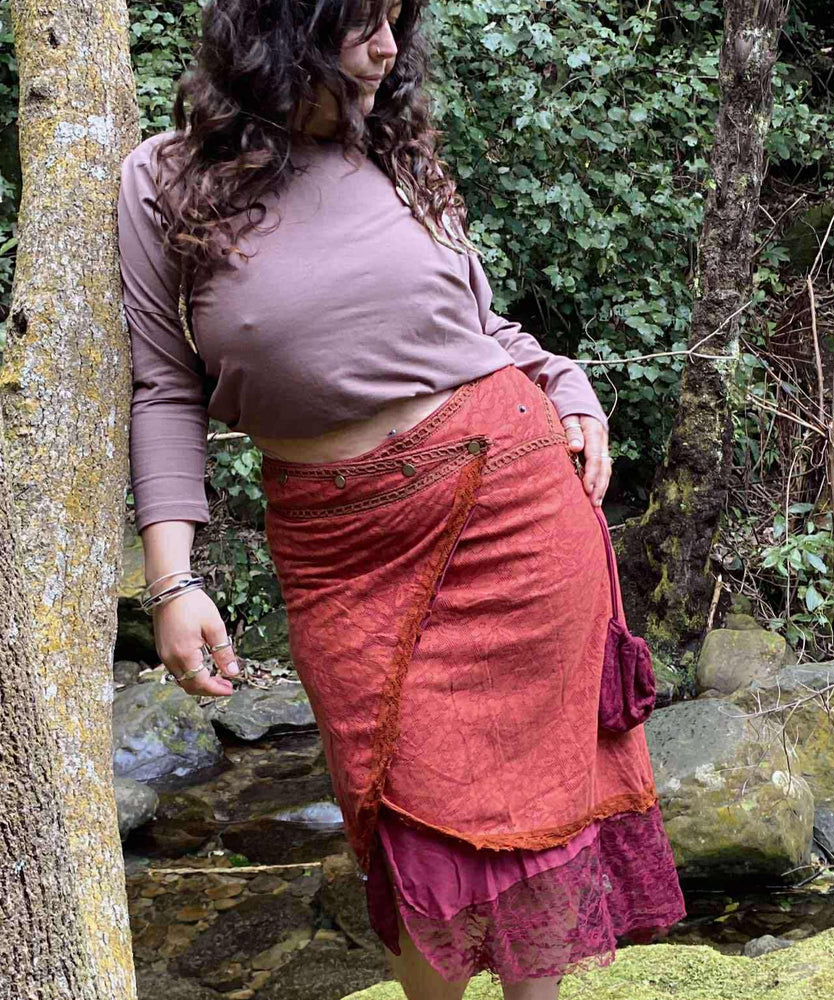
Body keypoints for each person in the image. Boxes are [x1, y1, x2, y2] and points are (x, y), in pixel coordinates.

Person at [117, 1, 686, 997]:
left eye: (396, 19)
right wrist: (174, 582)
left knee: (540, 820)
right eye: (359, 22)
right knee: (411, 826)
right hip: (342, 548)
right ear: (279, 31)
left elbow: (472, 321)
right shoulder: (166, 179)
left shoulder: (398, 150)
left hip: (512, 504)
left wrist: (563, 379)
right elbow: (164, 387)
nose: (388, 46)